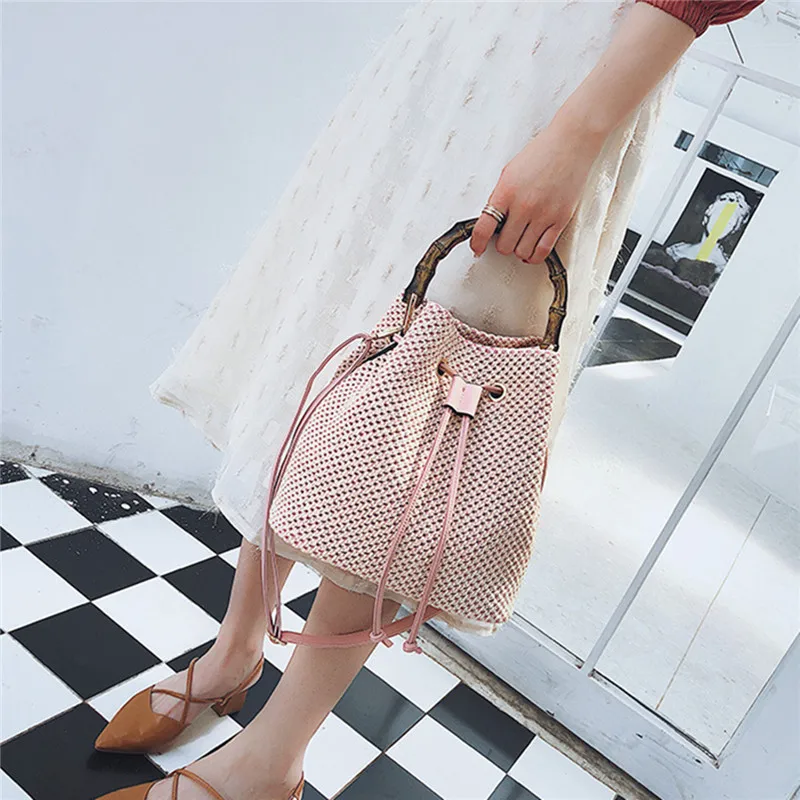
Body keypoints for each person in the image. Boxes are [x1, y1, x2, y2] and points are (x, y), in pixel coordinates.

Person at [95, 1, 764, 798]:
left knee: (417, 433)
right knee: (327, 361)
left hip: (566, 77)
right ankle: (233, 654)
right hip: (449, 56)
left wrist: (576, 133)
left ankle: (270, 761)